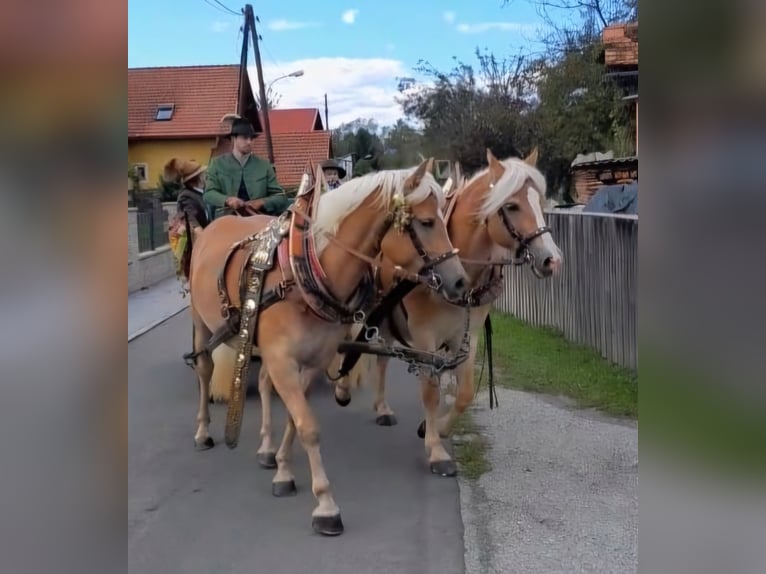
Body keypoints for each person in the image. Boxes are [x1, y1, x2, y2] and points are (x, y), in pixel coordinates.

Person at [203, 116, 292, 218]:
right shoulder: (217, 164)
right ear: (233, 139)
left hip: (259, 218)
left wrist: (262, 202)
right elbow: (208, 194)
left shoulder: (264, 165)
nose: (249, 142)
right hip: (227, 220)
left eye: (251, 138)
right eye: (245, 138)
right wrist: (228, 200)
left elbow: (280, 197)